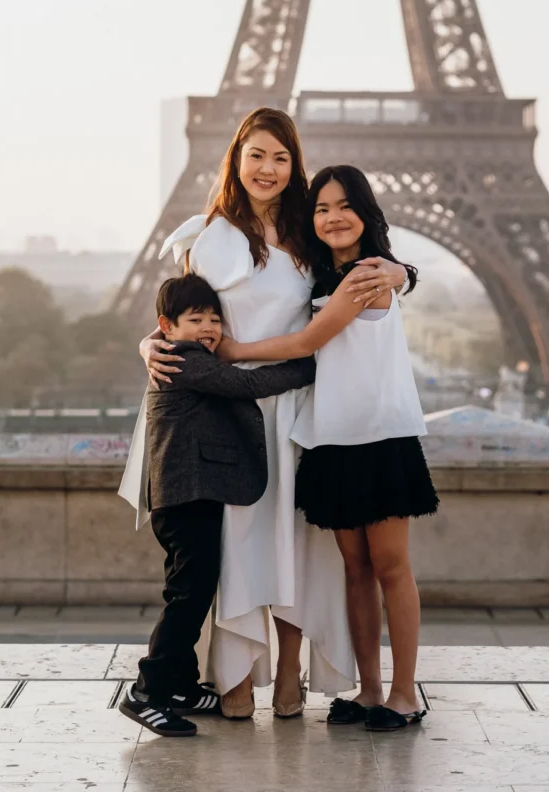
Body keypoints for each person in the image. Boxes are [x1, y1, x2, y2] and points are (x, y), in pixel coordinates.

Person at [119, 108, 409, 719]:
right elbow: (183, 315)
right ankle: (235, 676)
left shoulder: (311, 230)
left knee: (298, 546)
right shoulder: (207, 236)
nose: (268, 169)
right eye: (257, 155)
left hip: (299, 407)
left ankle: (288, 673)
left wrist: (407, 273)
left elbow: (370, 271)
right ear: (236, 159)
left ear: (294, 164)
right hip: (227, 415)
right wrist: (150, 343)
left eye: (281, 157)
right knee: (241, 544)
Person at [218, 165, 439, 733]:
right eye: (320, 209)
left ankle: (405, 694)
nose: (333, 217)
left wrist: (234, 350)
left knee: (390, 568)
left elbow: (310, 340)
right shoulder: (323, 274)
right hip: (333, 438)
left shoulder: (368, 274)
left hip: (380, 439)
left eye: (344, 206)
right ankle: (369, 688)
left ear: (366, 212)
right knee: (356, 570)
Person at [119, 273, 316, 737]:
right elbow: (249, 383)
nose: (207, 327)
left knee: (195, 590)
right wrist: (310, 367)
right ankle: (149, 691)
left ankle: (183, 686)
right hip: (186, 498)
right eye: (195, 319)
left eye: (214, 318)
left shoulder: (182, 353)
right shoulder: (186, 360)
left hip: (189, 495)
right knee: (187, 595)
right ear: (166, 327)